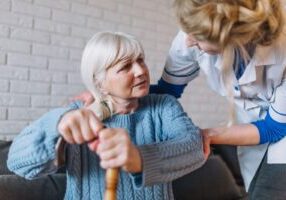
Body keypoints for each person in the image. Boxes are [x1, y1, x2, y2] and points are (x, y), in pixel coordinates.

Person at [73, 0, 286, 199]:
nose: (187, 40)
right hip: (253, 128)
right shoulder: (188, 38)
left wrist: (206, 135)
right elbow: (166, 91)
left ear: (228, 38)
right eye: (125, 66)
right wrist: (106, 99)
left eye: (196, 36)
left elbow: (274, 128)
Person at [7, 31, 205, 200]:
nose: (140, 71)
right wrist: (56, 125)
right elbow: (18, 164)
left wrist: (138, 158)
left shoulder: (162, 106)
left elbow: (195, 146)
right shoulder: (77, 114)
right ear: (99, 82)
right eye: (125, 66)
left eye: (140, 60)